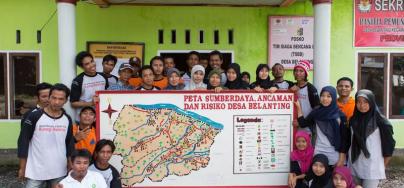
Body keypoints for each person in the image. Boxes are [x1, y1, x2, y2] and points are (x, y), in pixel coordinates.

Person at [18, 83, 74, 188]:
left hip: (58, 170)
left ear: (66, 100)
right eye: (54, 98)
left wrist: (70, 163)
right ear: (49, 97)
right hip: (36, 171)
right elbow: (23, 141)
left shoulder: (67, 119)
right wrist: (22, 167)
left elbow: (69, 143)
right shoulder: (34, 116)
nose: (57, 102)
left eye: (61, 99)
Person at [348, 89, 395, 188]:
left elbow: (389, 145)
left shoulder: (381, 122)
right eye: (359, 102)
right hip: (354, 164)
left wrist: (382, 165)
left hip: (372, 167)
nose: (362, 105)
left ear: (372, 102)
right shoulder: (353, 120)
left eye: (365, 102)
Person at [296, 86, 349, 167]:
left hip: (335, 153)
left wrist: (341, 159)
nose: (325, 99)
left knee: (334, 178)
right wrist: (299, 107)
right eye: (323, 95)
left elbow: (345, 139)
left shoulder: (340, 115)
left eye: (328, 96)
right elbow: (303, 123)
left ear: (334, 97)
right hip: (319, 150)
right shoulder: (316, 112)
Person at [70, 51, 108, 120]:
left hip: (100, 117)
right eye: (87, 64)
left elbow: (106, 94)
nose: (91, 65)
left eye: (92, 61)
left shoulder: (103, 77)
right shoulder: (78, 80)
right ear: (82, 67)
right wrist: (90, 103)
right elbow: (73, 103)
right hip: (84, 119)